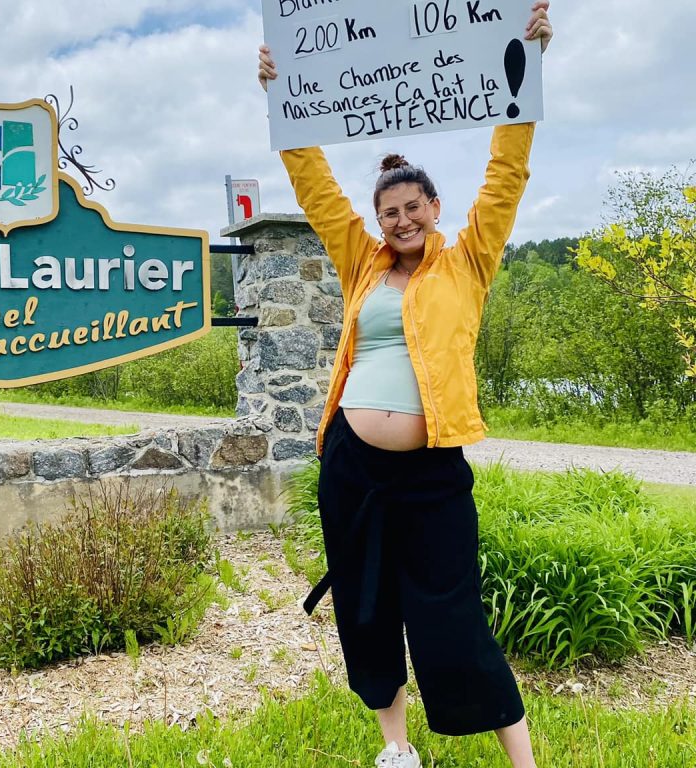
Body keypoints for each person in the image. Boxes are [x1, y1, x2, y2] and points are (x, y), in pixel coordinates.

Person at [258, 4, 553, 767]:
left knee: (452, 617)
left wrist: (531, 63)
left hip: (430, 472)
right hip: (354, 469)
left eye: (411, 208)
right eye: (388, 212)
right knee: (366, 610)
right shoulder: (362, 263)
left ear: (434, 210)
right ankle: (396, 750)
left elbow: (507, 173)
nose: (399, 221)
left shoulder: (468, 262)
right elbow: (317, 187)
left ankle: (523, 761)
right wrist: (280, 100)